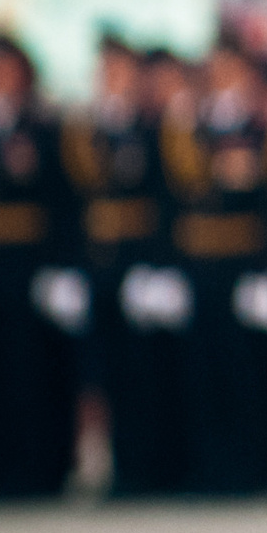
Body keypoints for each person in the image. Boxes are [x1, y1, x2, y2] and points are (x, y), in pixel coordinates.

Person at [0, 33, 81, 501]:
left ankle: (40, 472)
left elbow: (64, 202)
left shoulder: (46, 128)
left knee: (33, 376)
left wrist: (61, 268)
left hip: (30, 267)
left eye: (5, 70)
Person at [163, 29, 267, 495]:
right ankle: (208, 466)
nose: (222, 79)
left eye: (230, 70)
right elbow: (170, 199)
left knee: (245, 372)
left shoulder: (264, 124)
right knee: (200, 370)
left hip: (244, 259)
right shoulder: (190, 123)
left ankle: (250, 466)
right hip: (198, 261)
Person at [65, 32, 178, 498]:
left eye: (119, 72)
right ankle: (105, 466)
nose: (111, 81)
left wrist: (158, 267)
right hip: (96, 266)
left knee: (142, 376)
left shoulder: (154, 132)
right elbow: (67, 204)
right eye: (104, 72)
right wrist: (66, 267)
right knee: (98, 373)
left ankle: (144, 469)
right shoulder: (82, 133)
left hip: (138, 267)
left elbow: (167, 203)